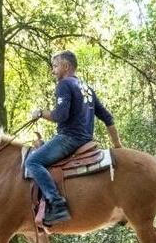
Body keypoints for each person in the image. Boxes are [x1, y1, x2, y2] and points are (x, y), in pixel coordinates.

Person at [26, 50, 122, 225]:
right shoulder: (87, 88)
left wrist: (40, 113)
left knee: (32, 162)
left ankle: (56, 202)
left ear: (66, 66)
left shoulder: (64, 84)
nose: (53, 70)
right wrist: (118, 146)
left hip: (69, 139)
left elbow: (60, 115)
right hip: (86, 141)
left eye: (55, 66)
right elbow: (107, 118)